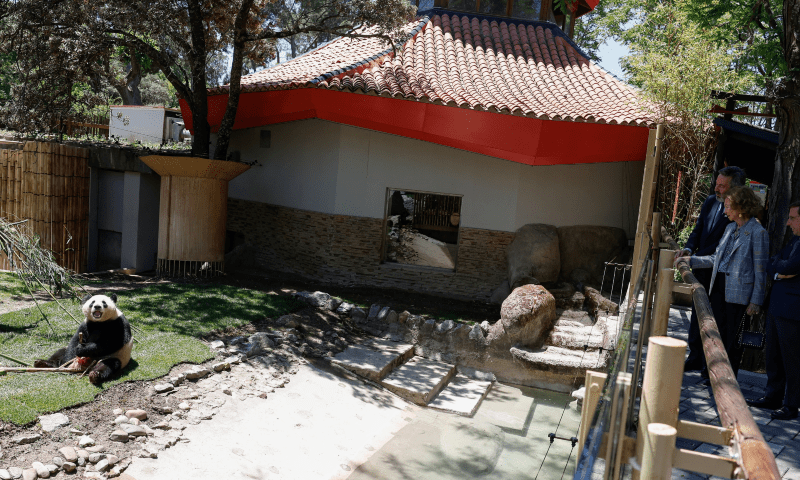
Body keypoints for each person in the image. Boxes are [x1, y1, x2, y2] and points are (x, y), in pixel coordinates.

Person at [676, 185, 768, 378]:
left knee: (732, 341)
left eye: (728, 207)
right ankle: (712, 375)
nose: (724, 211)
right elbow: (715, 258)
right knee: (715, 336)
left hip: (739, 296)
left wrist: (755, 302)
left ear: (740, 208)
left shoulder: (758, 233)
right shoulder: (729, 228)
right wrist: (690, 260)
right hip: (717, 289)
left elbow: (761, 272)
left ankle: (727, 380)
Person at [675, 166, 745, 372]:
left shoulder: (737, 213)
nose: (717, 188)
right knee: (697, 312)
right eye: (717, 184)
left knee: (715, 317)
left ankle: (710, 362)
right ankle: (695, 355)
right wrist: (688, 248)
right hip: (700, 266)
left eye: (723, 186)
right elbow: (698, 230)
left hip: (719, 273)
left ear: (734, 188)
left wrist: (696, 258)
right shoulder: (709, 201)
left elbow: (723, 247)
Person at [747, 201, 800, 420]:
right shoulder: (795, 240)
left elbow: (789, 266)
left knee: (792, 359)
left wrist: (781, 268)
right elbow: (773, 263)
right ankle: (773, 396)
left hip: (793, 310)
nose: (788, 222)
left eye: (793, 218)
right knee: (773, 355)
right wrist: (780, 271)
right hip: (777, 305)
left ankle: (791, 405)